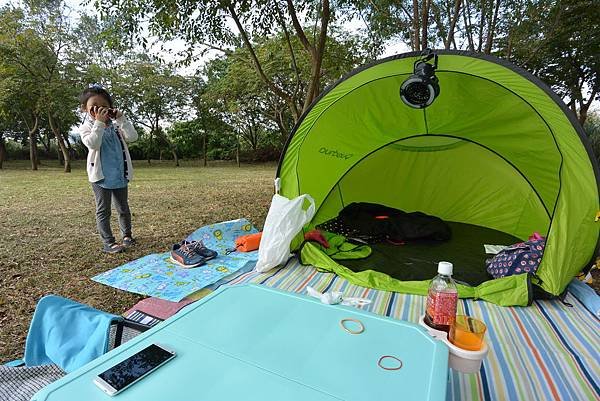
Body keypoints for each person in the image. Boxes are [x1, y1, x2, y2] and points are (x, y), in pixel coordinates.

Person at [79, 84, 138, 253]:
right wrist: (98, 122)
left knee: (123, 208)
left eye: (104, 107)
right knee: (103, 210)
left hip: (119, 174)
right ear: (85, 109)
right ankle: (108, 242)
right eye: (94, 108)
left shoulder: (117, 126)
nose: (99, 111)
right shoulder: (87, 128)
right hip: (100, 177)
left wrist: (122, 119)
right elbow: (93, 143)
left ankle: (127, 235)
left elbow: (133, 137)